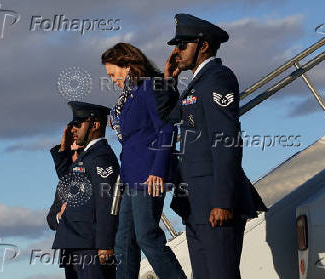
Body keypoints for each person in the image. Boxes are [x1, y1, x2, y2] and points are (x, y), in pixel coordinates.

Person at [164, 14, 268, 279]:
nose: (177, 52)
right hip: (195, 203)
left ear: (204, 46)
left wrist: (222, 201)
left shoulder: (218, 79)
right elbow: (164, 118)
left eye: (183, 45)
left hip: (214, 202)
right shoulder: (196, 85)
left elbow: (227, 141)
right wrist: (168, 83)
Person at [101, 43, 186, 279]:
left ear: (127, 66)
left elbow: (167, 129)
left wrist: (158, 170)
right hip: (130, 177)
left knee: (147, 237)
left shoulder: (149, 88)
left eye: (112, 74)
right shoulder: (128, 98)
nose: (111, 80)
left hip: (149, 174)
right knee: (124, 243)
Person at [49, 101, 120, 279]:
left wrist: (105, 244)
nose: (73, 129)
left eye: (78, 124)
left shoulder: (101, 157)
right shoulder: (85, 158)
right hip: (74, 244)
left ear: (95, 125)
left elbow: (107, 203)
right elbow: (67, 180)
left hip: (91, 246)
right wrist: (63, 149)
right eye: (73, 125)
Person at [47, 140, 84, 279]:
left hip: (93, 250)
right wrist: (60, 216)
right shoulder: (64, 183)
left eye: (79, 152)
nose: (75, 156)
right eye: (72, 153)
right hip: (70, 254)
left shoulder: (95, 177)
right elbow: (51, 219)